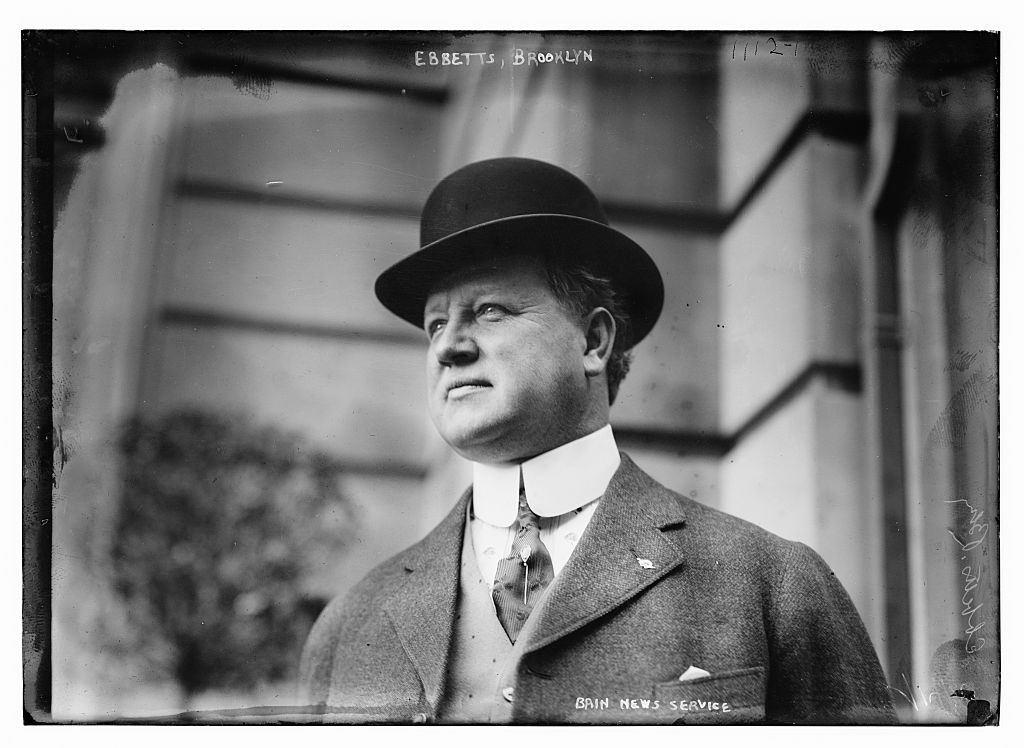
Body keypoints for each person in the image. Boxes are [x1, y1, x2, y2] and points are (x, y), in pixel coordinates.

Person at [298, 157, 896, 725]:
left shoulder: (771, 584)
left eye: (491, 311)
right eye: (435, 324)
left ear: (593, 342)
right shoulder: (350, 626)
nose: (449, 346)